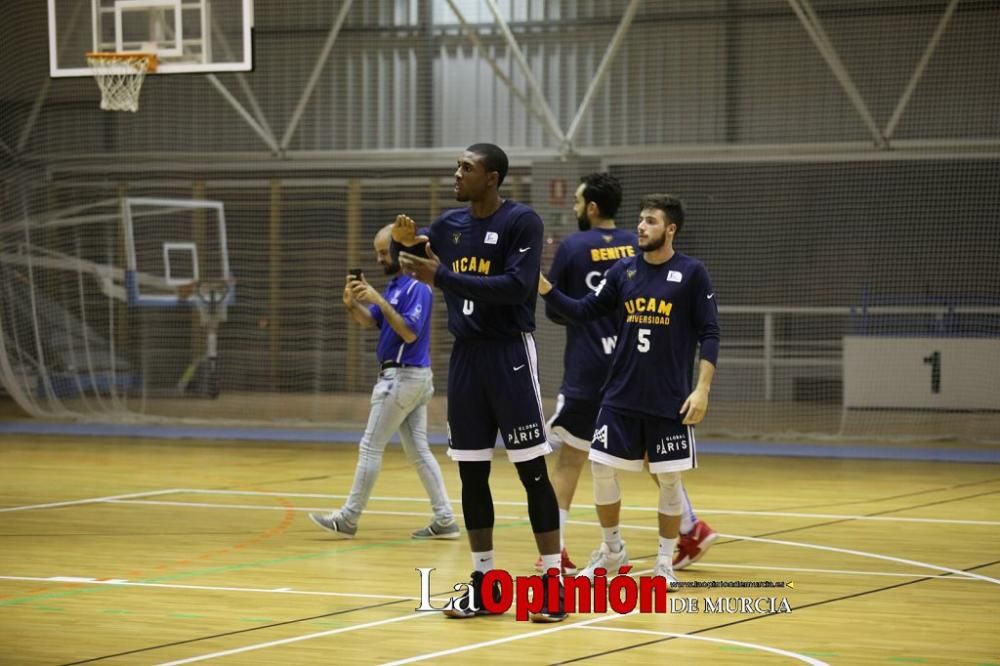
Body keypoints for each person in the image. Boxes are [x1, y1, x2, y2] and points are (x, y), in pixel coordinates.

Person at [394, 143, 566, 623]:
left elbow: (516, 286)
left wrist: (442, 276)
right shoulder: (449, 226)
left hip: (509, 353)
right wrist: (400, 240)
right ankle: (486, 585)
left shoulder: (521, 222)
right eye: (457, 166)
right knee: (472, 474)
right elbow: (403, 254)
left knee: (532, 471)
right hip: (466, 359)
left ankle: (553, 584)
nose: (456, 174)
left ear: (491, 178)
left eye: (466, 168)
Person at [539, 193, 720, 587]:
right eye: (640, 219)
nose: (641, 226)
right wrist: (544, 288)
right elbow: (585, 310)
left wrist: (702, 389)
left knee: (669, 481)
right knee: (602, 470)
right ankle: (612, 552)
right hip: (619, 395)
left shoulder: (692, 273)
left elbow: (709, 333)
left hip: (669, 399)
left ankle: (663, 564)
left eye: (651, 221)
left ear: (670, 229)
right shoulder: (623, 271)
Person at [309, 224, 459, 541]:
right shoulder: (394, 287)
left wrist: (377, 297)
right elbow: (373, 321)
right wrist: (353, 305)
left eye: (382, 252)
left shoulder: (417, 286)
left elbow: (409, 332)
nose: (378, 259)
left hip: (403, 377)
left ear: (399, 251)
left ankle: (349, 517)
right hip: (410, 379)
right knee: (419, 451)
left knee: (370, 446)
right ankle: (445, 518)